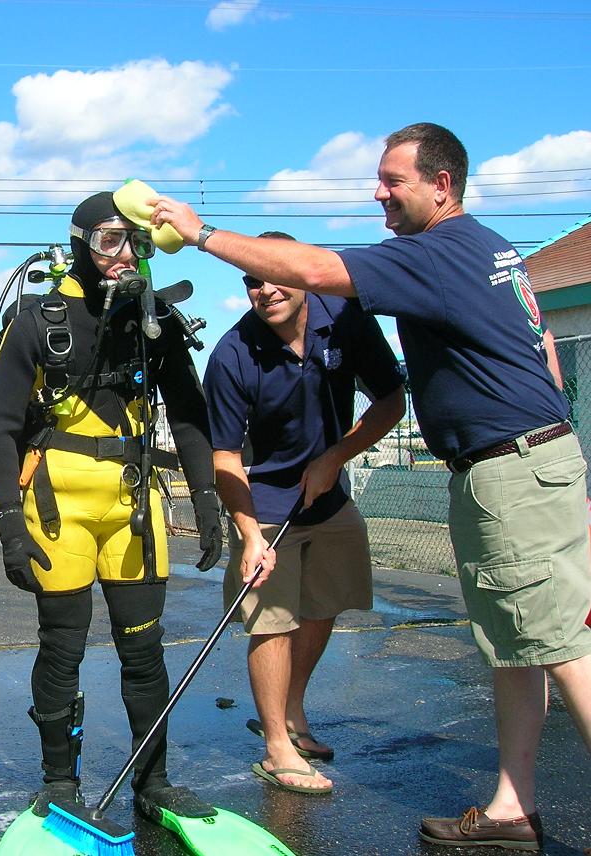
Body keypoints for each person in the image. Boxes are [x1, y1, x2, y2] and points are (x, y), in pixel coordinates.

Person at [149, 122, 591, 851]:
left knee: (562, 646)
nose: (377, 192)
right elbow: (544, 352)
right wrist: (555, 455)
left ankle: (513, 807)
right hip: (521, 466)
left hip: (512, 472)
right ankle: (513, 811)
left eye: (393, 181)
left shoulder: (438, 253)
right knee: (516, 647)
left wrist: (201, 234)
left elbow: (319, 269)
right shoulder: (489, 251)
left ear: (441, 186)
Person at [0, 190, 231, 828]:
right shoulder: (40, 319)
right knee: (63, 646)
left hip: (135, 504)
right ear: (80, 245)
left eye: (134, 241)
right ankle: (59, 782)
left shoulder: (155, 320)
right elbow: (1, 425)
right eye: (109, 241)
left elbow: (189, 410)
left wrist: (207, 499)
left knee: (145, 651)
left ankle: (154, 783)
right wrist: (9, 523)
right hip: (57, 505)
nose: (124, 255)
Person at [204, 231, 407, 795]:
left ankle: (293, 713)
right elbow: (224, 455)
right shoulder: (232, 355)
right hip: (265, 504)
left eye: (275, 276)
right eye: (252, 281)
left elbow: (392, 398)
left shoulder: (343, 317)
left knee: (322, 605)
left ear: (299, 273)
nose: (265, 289)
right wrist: (247, 534)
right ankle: (275, 748)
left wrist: (336, 457)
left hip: (329, 495)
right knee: (272, 620)